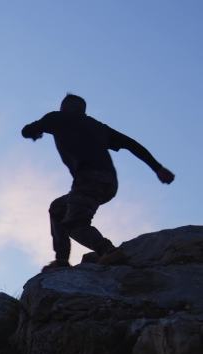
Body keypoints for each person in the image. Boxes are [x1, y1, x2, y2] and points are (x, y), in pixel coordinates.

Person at [22, 94, 174, 271]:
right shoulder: (98, 127)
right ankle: (62, 260)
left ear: (65, 107)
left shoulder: (57, 118)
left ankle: (107, 251)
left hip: (88, 180)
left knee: (75, 223)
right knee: (58, 208)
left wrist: (35, 131)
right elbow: (131, 144)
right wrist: (158, 168)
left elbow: (26, 130)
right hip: (109, 183)